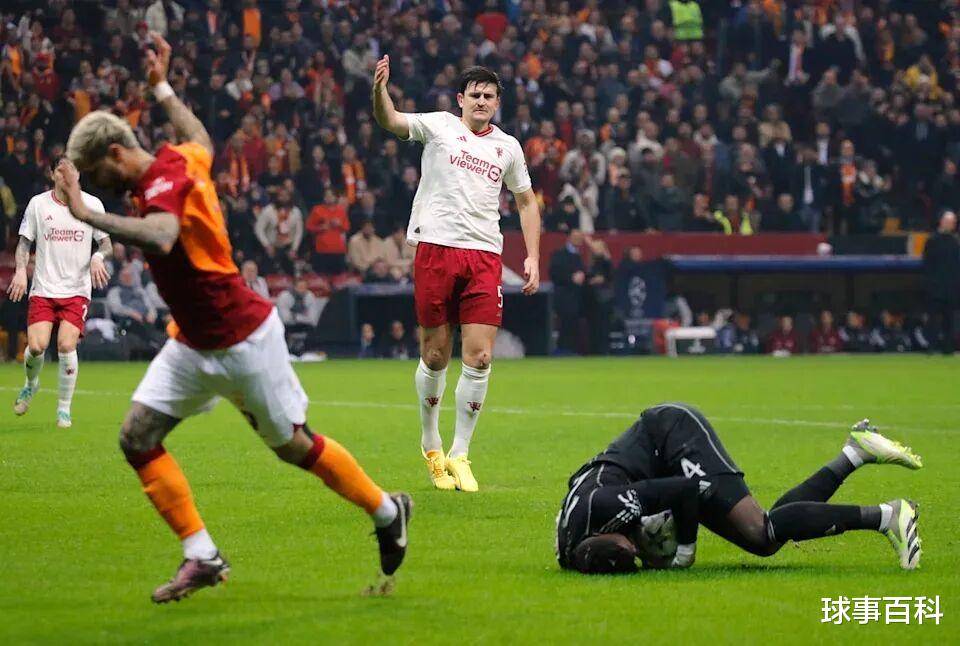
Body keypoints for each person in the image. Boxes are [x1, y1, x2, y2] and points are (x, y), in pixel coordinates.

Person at [60, 34, 411, 603]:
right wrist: (162, 88)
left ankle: (388, 512)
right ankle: (201, 555)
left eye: (95, 174)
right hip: (192, 342)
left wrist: (85, 214)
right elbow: (200, 136)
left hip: (242, 338)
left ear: (117, 154)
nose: (96, 187)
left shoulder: (163, 183)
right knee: (136, 437)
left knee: (294, 447)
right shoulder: (180, 159)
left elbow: (161, 235)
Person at [374, 58, 541, 492]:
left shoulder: (508, 147)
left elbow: (526, 201)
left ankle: (460, 452)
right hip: (436, 248)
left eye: (489, 96)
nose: (481, 101)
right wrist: (380, 90)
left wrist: (533, 256)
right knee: (434, 355)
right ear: (460, 99)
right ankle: (431, 443)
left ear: (497, 103)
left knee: (480, 357)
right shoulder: (439, 126)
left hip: (484, 256)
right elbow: (390, 120)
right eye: (475, 94)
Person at [556, 404, 922, 574]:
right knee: (763, 538)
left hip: (673, 437)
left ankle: (888, 516)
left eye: (629, 546)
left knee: (759, 530)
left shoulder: (606, 505)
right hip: (660, 461)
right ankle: (856, 453)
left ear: (604, 535)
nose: (635, 549)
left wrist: (684, 551)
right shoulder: (574, 551)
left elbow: (685, 489)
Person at [7, 158, 112, 428]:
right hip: (44, 287)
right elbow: (24, 242)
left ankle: (64, 408)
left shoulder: (91, 204)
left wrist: (98, 257)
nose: (66, 176)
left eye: (71, 171)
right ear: (52, 174)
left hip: (76, 290)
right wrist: (20, 271)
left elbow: (106, 244)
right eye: (61, 171)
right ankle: (31, 384)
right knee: (37, 346)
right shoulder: (38, 204)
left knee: (66, 345)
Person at [922, 211, 960, 354]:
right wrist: (929, 284)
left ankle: (948, 348)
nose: (951, 225)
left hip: (951, 288)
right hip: (935, 287)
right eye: (948, 222)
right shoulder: (932, 241)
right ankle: (931, 347)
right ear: (941, 222)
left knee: (949, 319)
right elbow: (927, 265)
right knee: (933, 319)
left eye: (953, 222)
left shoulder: (955, 242)